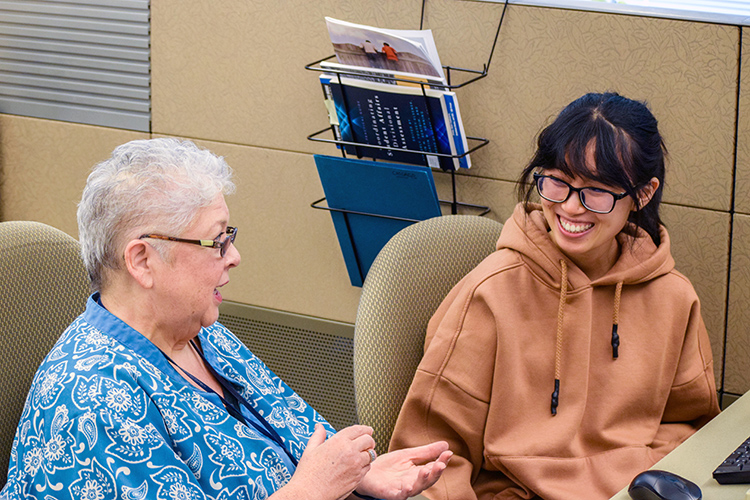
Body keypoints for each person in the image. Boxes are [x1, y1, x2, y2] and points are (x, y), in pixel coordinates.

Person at [0, 138, 452, 500]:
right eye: (216, 241)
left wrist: (358, 477)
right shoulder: (92, 400)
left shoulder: (199, 333)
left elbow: (302, 444)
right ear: (142, 261)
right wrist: (314, 490)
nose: (234, 257)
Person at [388, 92, 720, 499]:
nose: (571, 207)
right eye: (557, 182)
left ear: (643, 194)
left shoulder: (673, 296)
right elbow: (430, 457)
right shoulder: (490, 293)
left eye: (597, 191)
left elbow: (692, 425)